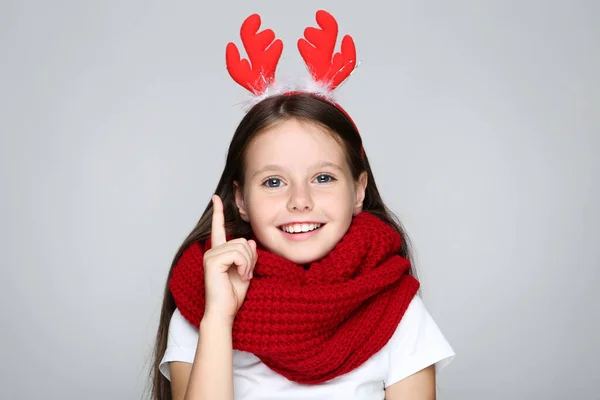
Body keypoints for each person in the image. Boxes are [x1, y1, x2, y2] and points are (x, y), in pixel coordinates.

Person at [150, 10, 454, 400]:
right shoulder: (202, 302)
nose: (300, 201)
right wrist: (218, 320)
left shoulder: (395, 309)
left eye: (323, 178)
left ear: (359, 190)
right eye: (274, 182)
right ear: (241, 199)